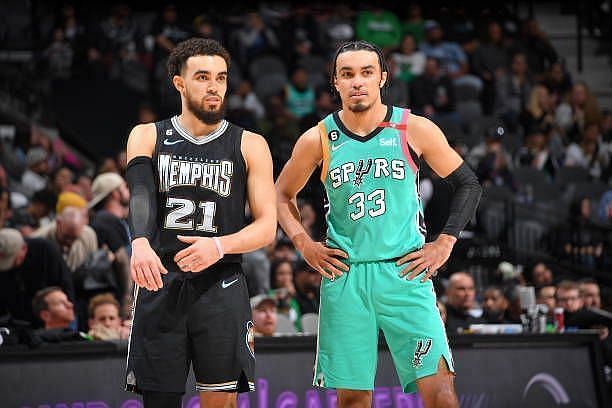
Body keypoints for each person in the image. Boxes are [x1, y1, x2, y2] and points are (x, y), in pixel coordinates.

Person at [276, 40, 482, 408]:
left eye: (366, 72)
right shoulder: (318, 138)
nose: (357, 81)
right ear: (335, 83)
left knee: (442, 396)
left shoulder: (413, 128)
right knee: (354, 401)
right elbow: (280, 195)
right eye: (347, 74)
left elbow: (468, 183)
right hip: (346, 277)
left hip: (405, 272)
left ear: (382, 78)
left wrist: (444, 242)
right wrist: (303, 244)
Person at [124, 38, 276, 408]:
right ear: (179, 82)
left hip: (221, 284)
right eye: (203, 77)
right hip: (160, 279)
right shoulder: (147, 134)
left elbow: (267, 226)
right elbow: (141, 194)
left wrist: (219, 245)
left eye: (221, 78)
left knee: (221, 403)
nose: (214, 87)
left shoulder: (250, 143)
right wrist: (140, 242)